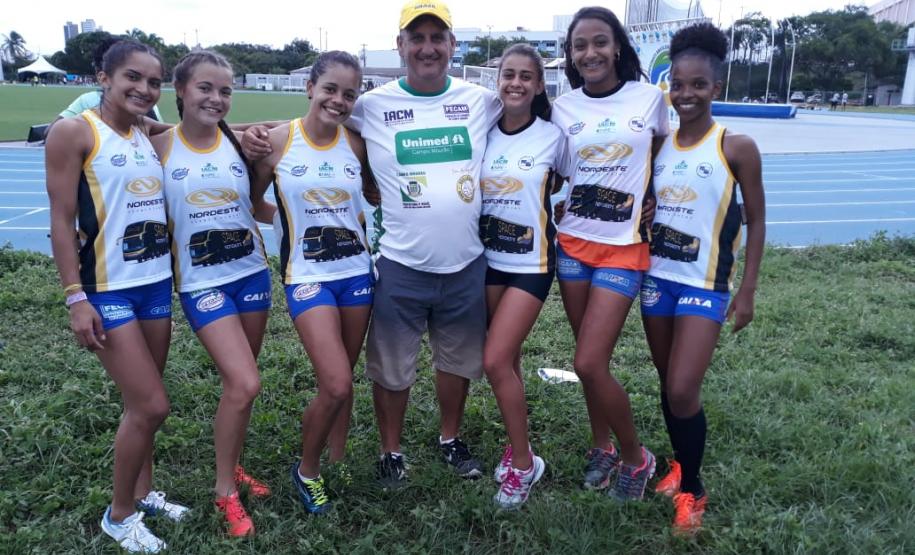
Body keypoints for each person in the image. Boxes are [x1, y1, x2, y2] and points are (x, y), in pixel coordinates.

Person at [346, 0, 501, 488]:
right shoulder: (370, 105)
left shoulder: (482, 100)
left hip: (466, 263)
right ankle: (390, 450)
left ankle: (450, 439)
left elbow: (539, 135)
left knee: (456, 362)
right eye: (418, 37)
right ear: (401, 46)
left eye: (438, 38)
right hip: (400, 264)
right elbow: (316, 130)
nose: (428, 47)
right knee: (391, 367)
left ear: (453, 46)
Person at [45, 40, 185, 554]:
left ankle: (144, 493)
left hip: (153, 284)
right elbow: (60, 221)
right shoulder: (74, 132)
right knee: (151, 406)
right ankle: (119, 514)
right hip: (105, 289)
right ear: (102, 76)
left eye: (154, 82)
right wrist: (74, 298)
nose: (144, 90)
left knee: (139, 402)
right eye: (132, 77)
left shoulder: (149, 133)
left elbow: (206, 135)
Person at [642, 22, 765, 535]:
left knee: (683, 387)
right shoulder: (659, 146)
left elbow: (757, 219)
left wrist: (748, 290)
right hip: (656, 280)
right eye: (678, 84)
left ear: (717, 87)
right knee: (667, 385)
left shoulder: (736, 147)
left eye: (697, 85)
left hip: (704, 285)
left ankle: (692, 487)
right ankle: (675, 463)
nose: (685, 94)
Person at [150, 50, 275, 537]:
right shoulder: (158, 147)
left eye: (225, 90)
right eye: (205, 88)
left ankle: (235, 465)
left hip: (251, 274)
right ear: (179, 91)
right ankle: (225, 490)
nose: (216, 98)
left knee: (238, 390)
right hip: (202, 284)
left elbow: (257, 207)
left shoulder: (238, 141)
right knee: (244, 383)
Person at [550, 6, 668, 501]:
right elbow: (552, 171)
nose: (590, 53)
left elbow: (666, 151)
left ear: (617, 45)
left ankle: (637, 458)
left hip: (624, 249)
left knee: (589, 362)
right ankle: (602, 446)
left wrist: (654, 195)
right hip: (572, 244)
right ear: (572, 56)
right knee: (587, 358)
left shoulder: (651, 99)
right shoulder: (563, 108)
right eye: (580, 46)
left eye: (600, 42)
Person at [251, 50, 373, 514]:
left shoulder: (357, 145)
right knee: (336, 382)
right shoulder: (278, 141)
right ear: (310, 88)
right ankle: (307, 470)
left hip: (358, 273)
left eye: (349, 94)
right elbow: (253, 201)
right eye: (330, 89)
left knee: (347, 374)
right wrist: (289, 225)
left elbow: (373, 194)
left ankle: (337, 457)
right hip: (306, 277)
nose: (338, 101)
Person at [480, 44, 564, 509]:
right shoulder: (484, 133)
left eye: (525, 77)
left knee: (494, 361)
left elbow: (581, 179)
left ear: (538, 85)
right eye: (507, 74)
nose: (515, 83)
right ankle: (517, 448)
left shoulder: (553, 137)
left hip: (531, 265)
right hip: (488, 261)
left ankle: (526, 464)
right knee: (506, 362)